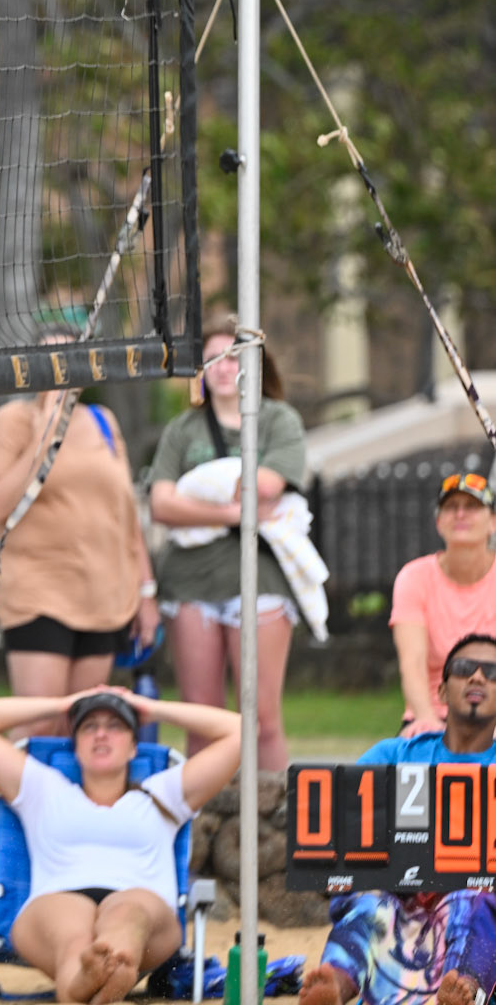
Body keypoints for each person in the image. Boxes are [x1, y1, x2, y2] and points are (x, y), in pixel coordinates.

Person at [0, 686, 242, 1004]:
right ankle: (107, 973)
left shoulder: (164, 794)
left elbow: (240, 730)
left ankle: (105, 965)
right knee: (71, 935)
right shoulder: (42, 789)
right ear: (75, 747)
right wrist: (60, 704)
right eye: (89, 727)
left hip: (142, 904)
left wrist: (152, 709)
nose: (101, 734)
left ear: (134, 747)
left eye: (115, 726)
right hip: (57, 899)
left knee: (128, 913)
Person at [300, 632, 496, 1005]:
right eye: (464, 668)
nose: (477, 677)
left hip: (476, 914)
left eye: (492, 672)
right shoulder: (393, 755)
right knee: (370, 901)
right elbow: (340, 834)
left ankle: (464, 987)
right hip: (396, 904)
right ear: (442, 691)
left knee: (474, 899)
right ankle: (337, 982)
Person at [147, 323, 309, 773]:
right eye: (213, 359)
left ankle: (272, 808)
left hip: (261, 581)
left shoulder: (278, 420)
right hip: (191, 584)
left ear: (254, 365)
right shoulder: (182, 429)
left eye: (233, 357)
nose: (223, 368)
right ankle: (207, 811)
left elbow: (267, 486)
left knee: (261, 720)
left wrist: (195, 499)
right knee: (203, 719)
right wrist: (234, 513)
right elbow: (161, 504)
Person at [0, 389, 159, 714]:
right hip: (37, 594)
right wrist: (46, 431)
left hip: (103, 596)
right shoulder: (14, 420)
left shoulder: (102, 420)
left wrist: (146, 591)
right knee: (40, 722)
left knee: (83, 722)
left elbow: (127, 514)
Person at [390, 474, 496, 734]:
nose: (460, 514)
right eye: (450, 507)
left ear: (493, 521)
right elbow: (412, 662)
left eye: (471, 506)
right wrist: (426, 719)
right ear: (438, 523)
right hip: (433, 716)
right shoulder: (414, 577)